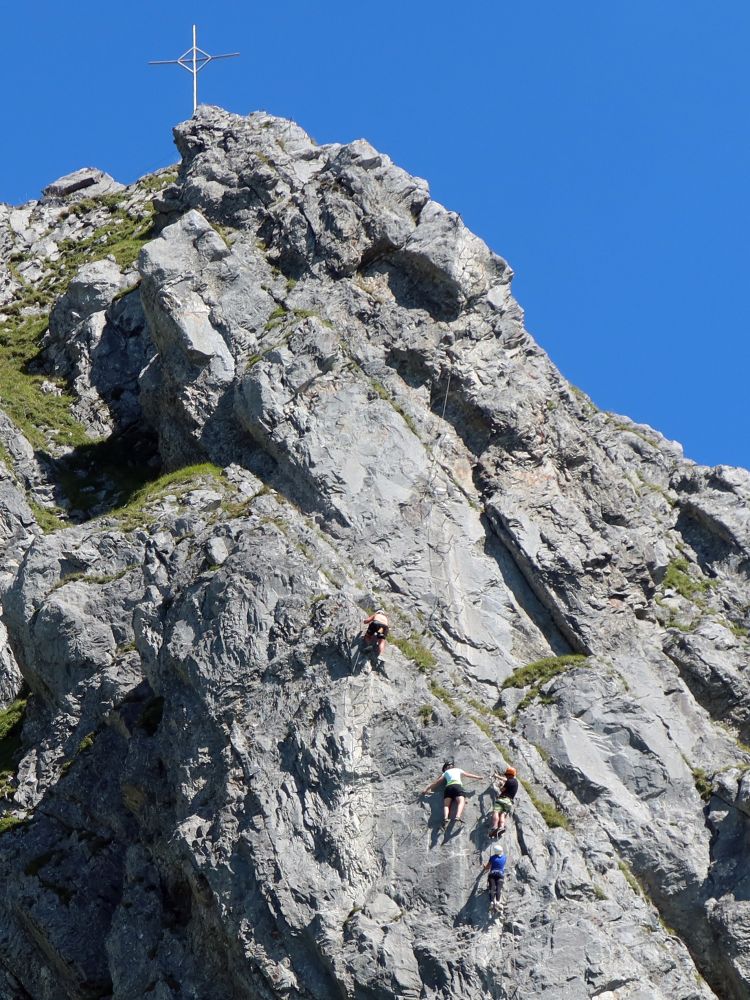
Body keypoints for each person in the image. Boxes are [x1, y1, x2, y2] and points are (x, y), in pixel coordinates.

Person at [422, 760, 484, 831]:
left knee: (446, 805)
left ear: (445, 768)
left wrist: (426, 789)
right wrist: (478, 777)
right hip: (457, 786)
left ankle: (445, 818)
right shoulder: (458, 770)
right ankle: (457, 816)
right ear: (452, 766)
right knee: (461, 802)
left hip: (448, 788)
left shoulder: (445, 773)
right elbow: (468, 774)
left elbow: (436, 782)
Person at [489, 767, 518, 838]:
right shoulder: (515, 782)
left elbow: (502, 790)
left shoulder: (508, 781)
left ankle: (494, 827)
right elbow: (506, 779)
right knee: (503, 814)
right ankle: (501, 827)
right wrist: (498, 776)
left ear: (509, 775)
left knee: (496, 812)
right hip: (509, 802)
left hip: (502, 799)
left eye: (507, 775)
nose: (506, 776)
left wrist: (500, 785)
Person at [481, 842, 507, 912]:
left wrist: (484, 866)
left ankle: (492, 902)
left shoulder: (492, 858)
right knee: (498, 889)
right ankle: (498, 902)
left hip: (492, 874)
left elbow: (487, 867)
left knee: (492, 888)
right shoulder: (504, 857)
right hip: (500, 874)